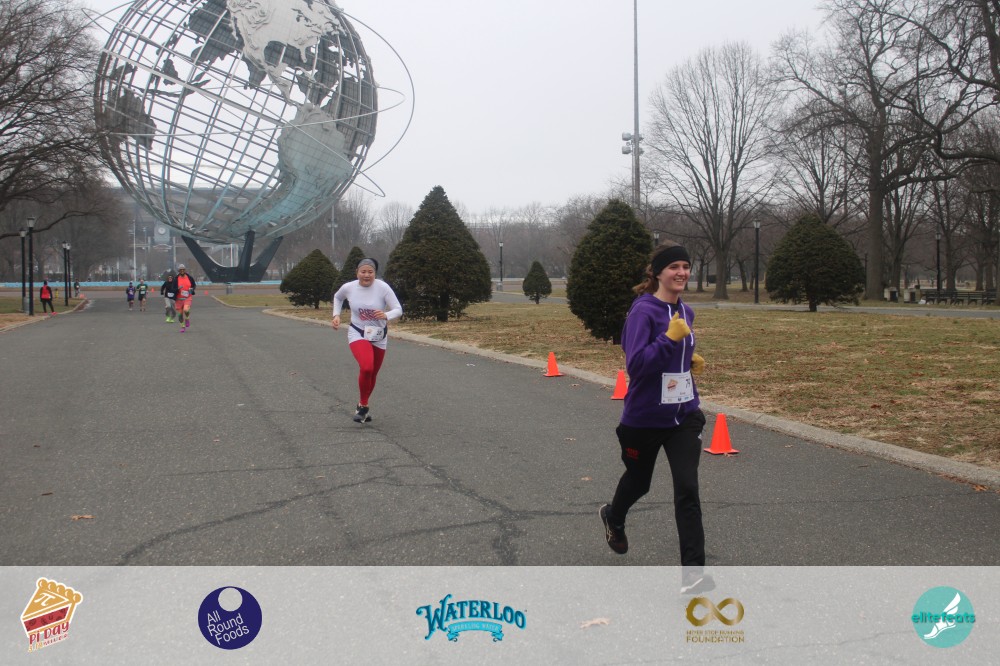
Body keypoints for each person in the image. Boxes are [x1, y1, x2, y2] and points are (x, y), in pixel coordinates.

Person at [598, 242, 713, 595]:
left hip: (683, 416)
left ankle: (693, 576)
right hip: (645, 419)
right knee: (639, 482)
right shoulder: (643, 311)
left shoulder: (686, 312)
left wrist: (688, 361)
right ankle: (614, 516)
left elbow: (673, 355)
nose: (682, 272)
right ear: (658, 272)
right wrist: (668, 340)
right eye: (674, 267)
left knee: (687, 489)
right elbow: (636, 365)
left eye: (686, 266)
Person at [331, 258, 402, 423]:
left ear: (375, 273)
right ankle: (363, 406)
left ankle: (362, 405)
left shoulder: (383, 288)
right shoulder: (348, 287)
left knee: (372, 373)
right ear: (357, 272)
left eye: (370, 272)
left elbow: (398, 309)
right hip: (358, 332)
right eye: (363, 271)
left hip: (379, 334)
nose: (367, 275)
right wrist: (336, 315)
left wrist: (386, 315)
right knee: (367, 367)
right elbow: (338, 297)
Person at [173, 264, 196, 332]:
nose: (182, 271)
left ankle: (187, 318)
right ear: (179, 271)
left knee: (186, 310)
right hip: (178, 299)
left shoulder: (189, 277)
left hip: (187, 297)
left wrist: (192, 289)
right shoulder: (176, 279)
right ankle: (182, 327)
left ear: (185, 270)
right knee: (180, 315)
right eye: (181, 270)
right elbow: (173, 289)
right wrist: (177, 289)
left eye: (183, 269)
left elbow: (194, 285)